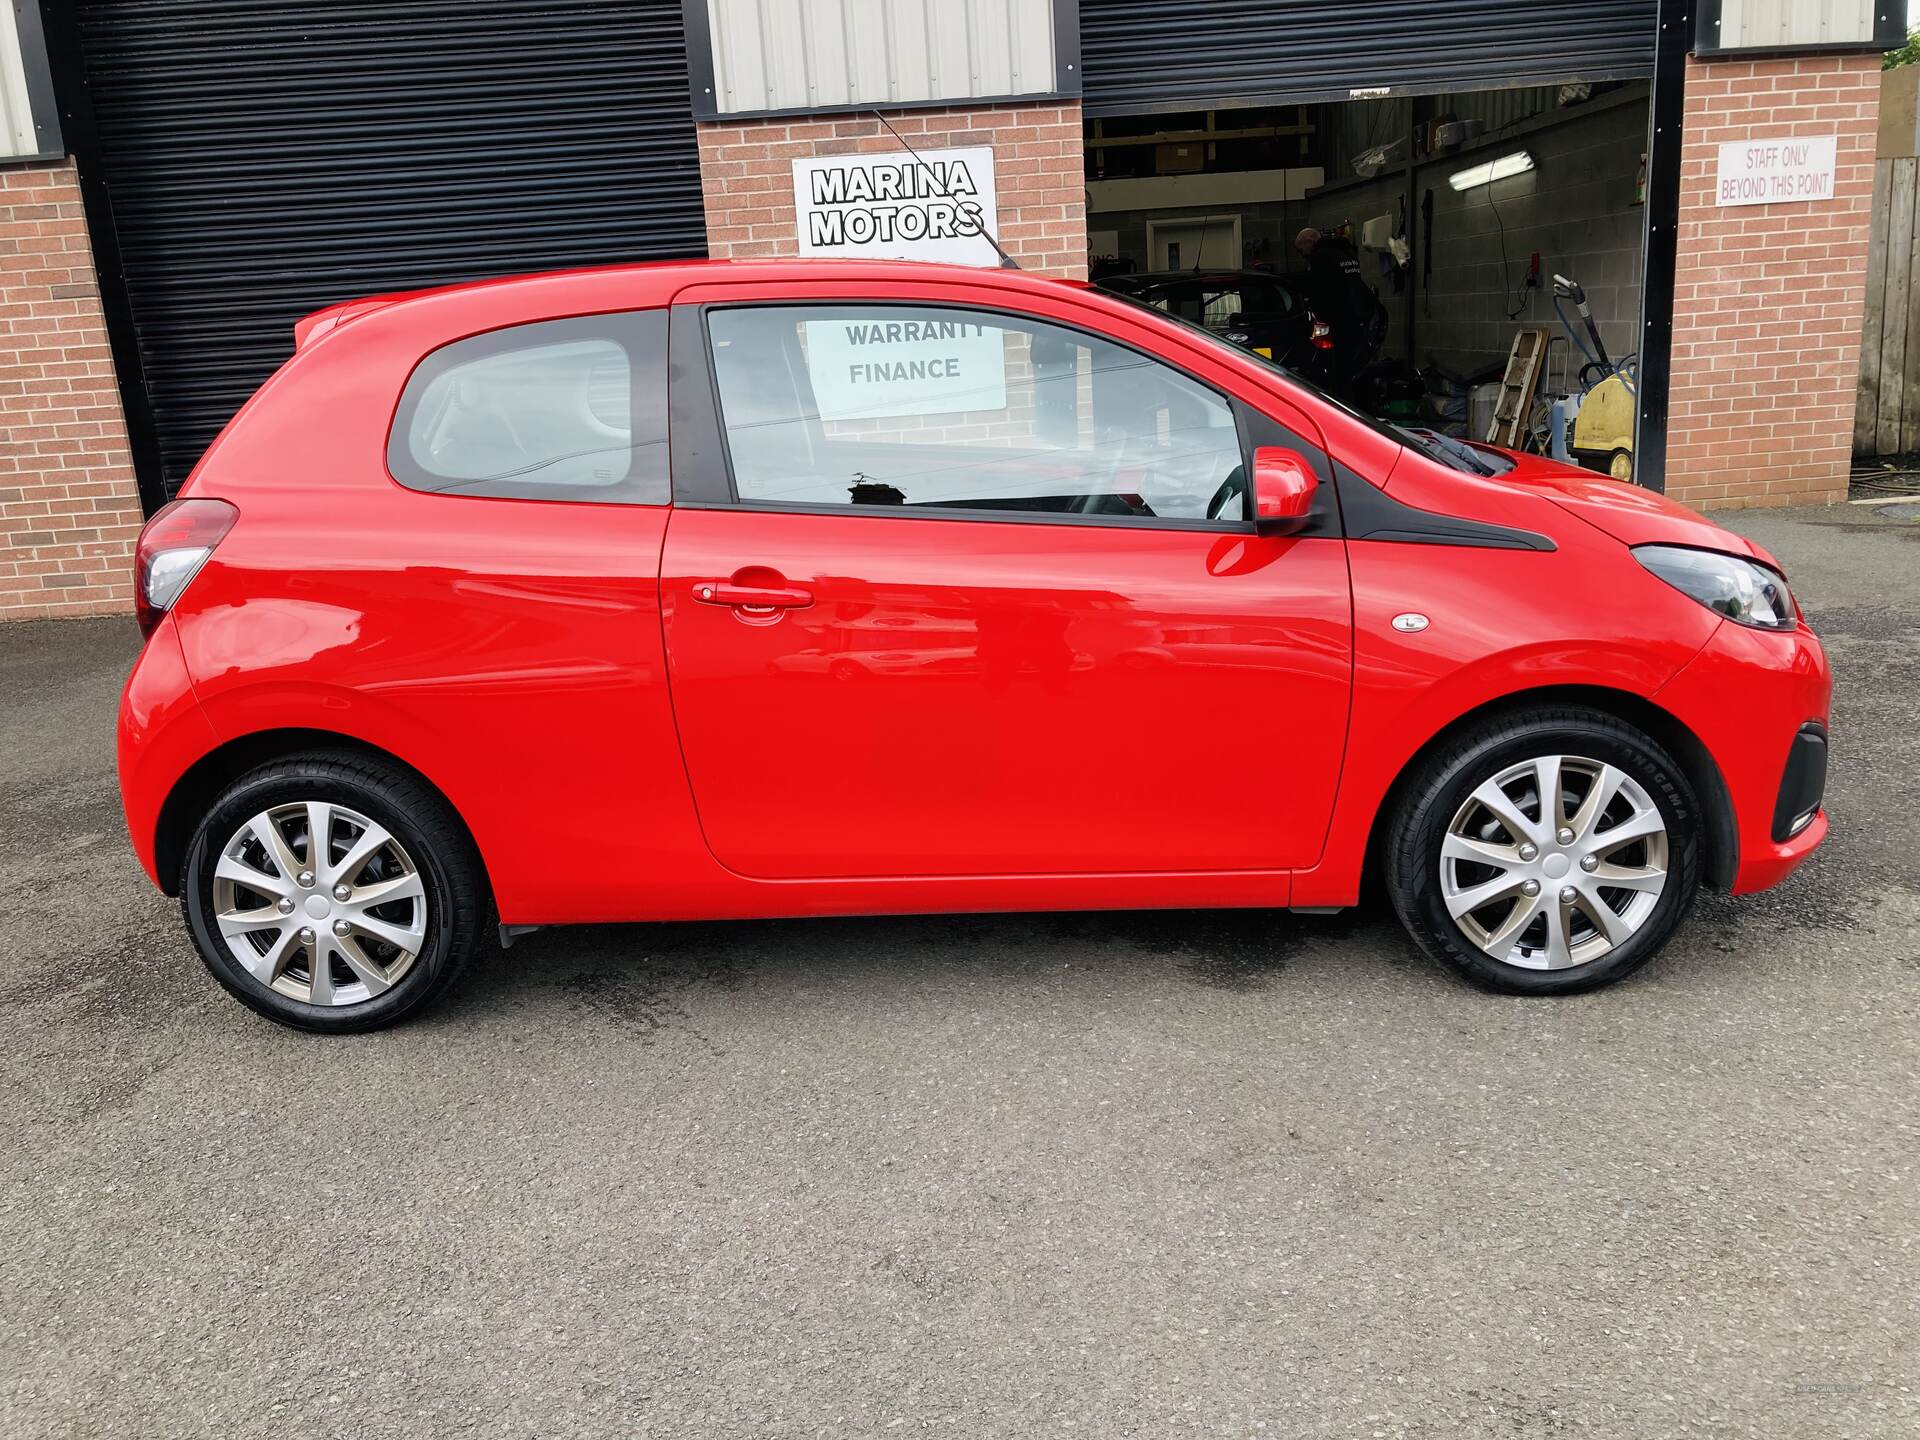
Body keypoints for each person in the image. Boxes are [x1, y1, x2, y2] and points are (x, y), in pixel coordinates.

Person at [1294, 227, 1381, 398]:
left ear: (1310, 241)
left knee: (1339, 373)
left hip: (1339, 322)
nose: (1301, 254)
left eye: (1300, 249)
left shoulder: (1321, 258)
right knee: (1356, 367)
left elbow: (1320, 292)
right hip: (1359, 318)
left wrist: (1317, 314)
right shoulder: (1346, 253)